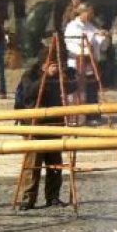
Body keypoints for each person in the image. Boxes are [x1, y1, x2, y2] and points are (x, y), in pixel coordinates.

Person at [13, 55, 74, 209]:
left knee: (55, 165)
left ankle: (53, 197)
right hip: (34, 126)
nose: (55, 67)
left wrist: (67, 75)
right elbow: (29, 93)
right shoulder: (30, 75)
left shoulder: (59, 77)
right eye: (52, 64)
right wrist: (45, 77)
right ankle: (28, 199)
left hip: (54, 125)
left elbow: (73, 87)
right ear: (43, 65)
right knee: (32, 165)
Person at [63, 3, 107, 110]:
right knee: (77, 89)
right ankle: (77, 113)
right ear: (81, 12)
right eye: (87, 12)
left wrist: (103, 36)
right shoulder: (72, 26)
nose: (89, 15)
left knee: (92, 88)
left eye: (91, 13)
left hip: (90, 62)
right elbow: (77, 41)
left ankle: (93, 115)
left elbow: (98, 41)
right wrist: (93, 36)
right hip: (76, 62)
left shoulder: (90, 26)